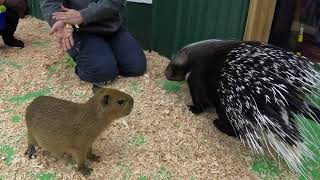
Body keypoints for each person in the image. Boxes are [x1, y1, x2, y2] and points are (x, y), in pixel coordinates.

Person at [39, 0, 147, 90]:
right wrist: (59, 20)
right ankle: (88, 61)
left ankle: (105, 52)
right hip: (80, 29)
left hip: (110, 25)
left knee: (136, 67)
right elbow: (50, 2)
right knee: (102, 72)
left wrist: (84, 15)